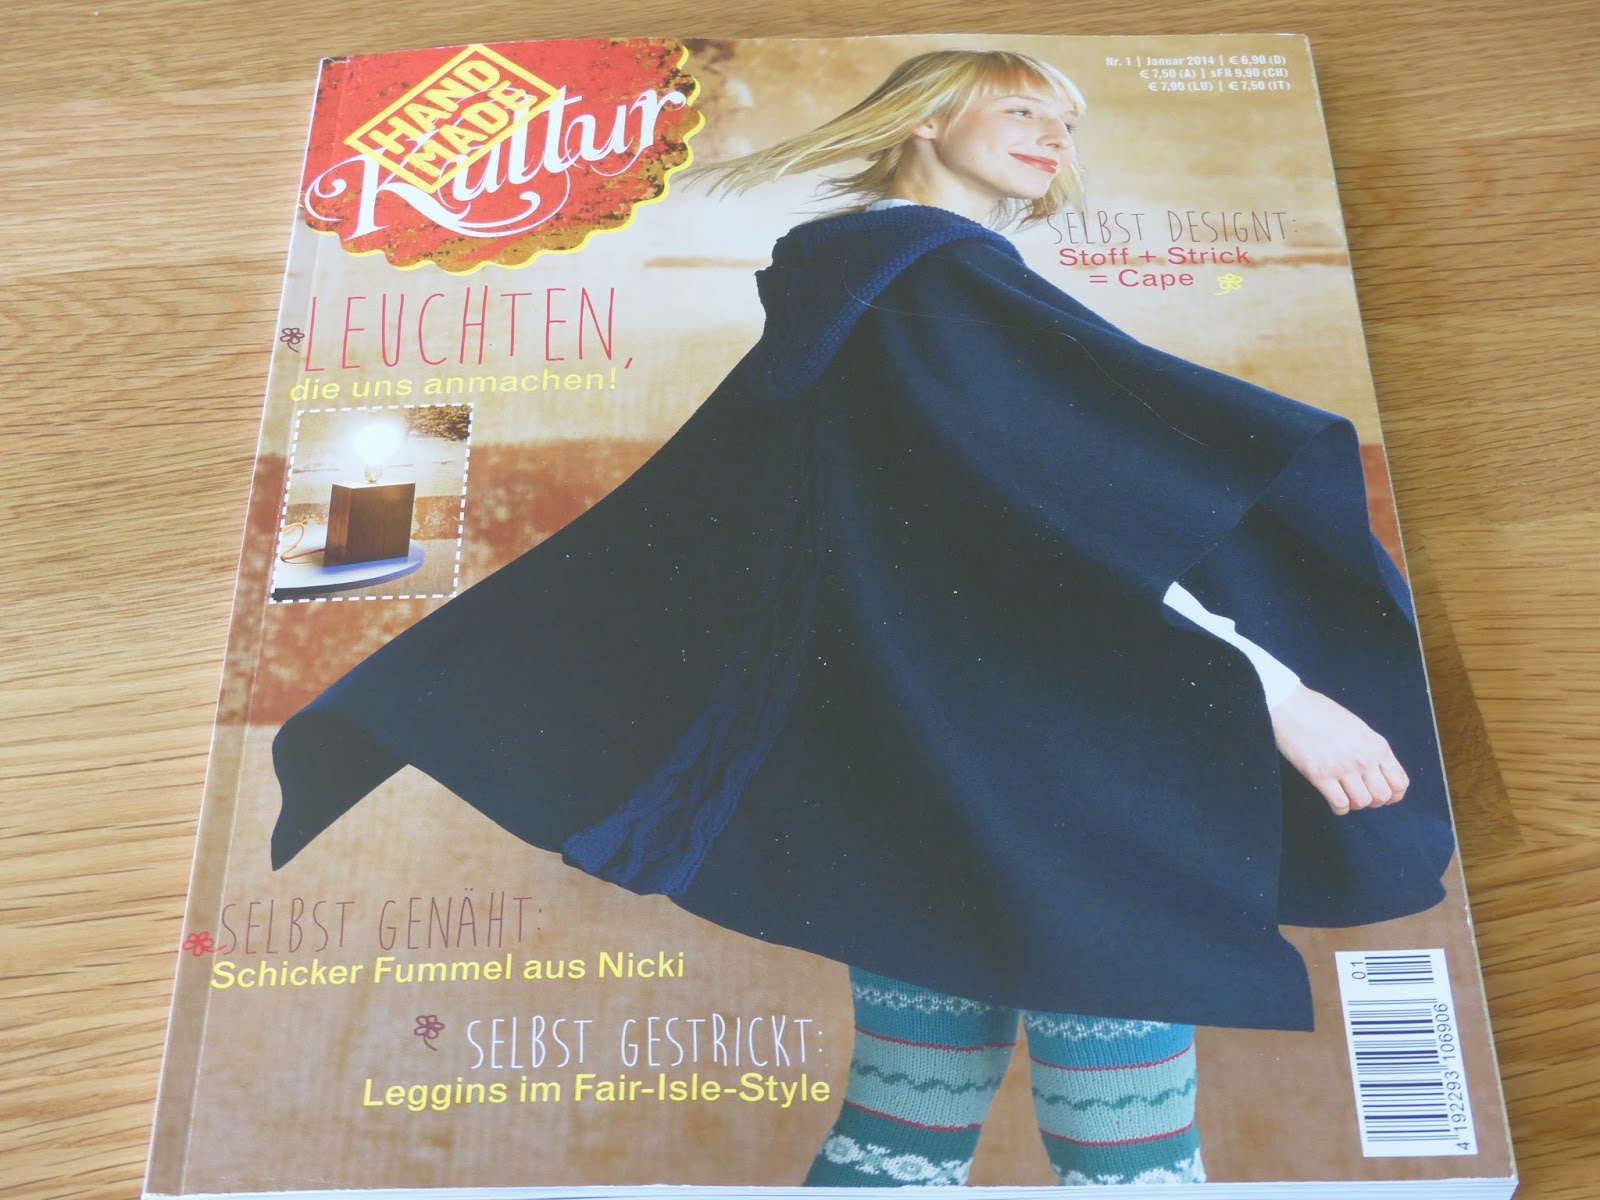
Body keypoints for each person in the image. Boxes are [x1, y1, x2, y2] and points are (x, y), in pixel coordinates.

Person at [272, 49, 1455, 1189]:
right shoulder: (945, 284)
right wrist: (1276, 690)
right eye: (1022, 110)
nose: (1053, 138)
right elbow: (1085, 530)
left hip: (915, 758)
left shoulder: (844, 292)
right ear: (926, 119)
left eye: (1066, 123)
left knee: (910, 1115)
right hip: (1054, 771)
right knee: (1125, 1136)